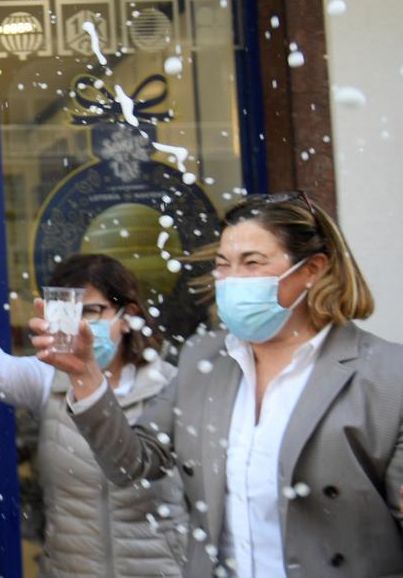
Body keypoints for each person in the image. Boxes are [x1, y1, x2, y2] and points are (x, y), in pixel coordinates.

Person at [34, 191, 403, 576]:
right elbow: (132, 464)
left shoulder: (385, 377)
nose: (231, 280)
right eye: (223, 264)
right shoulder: (203, 360)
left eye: (252, 263)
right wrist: (84, 373)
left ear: (312, 270)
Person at [0, 253, 185, 577]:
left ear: (128, 315)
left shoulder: (171, 384)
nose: (79, 324)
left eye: (91, 310)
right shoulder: (53, 380)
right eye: (68, 312)